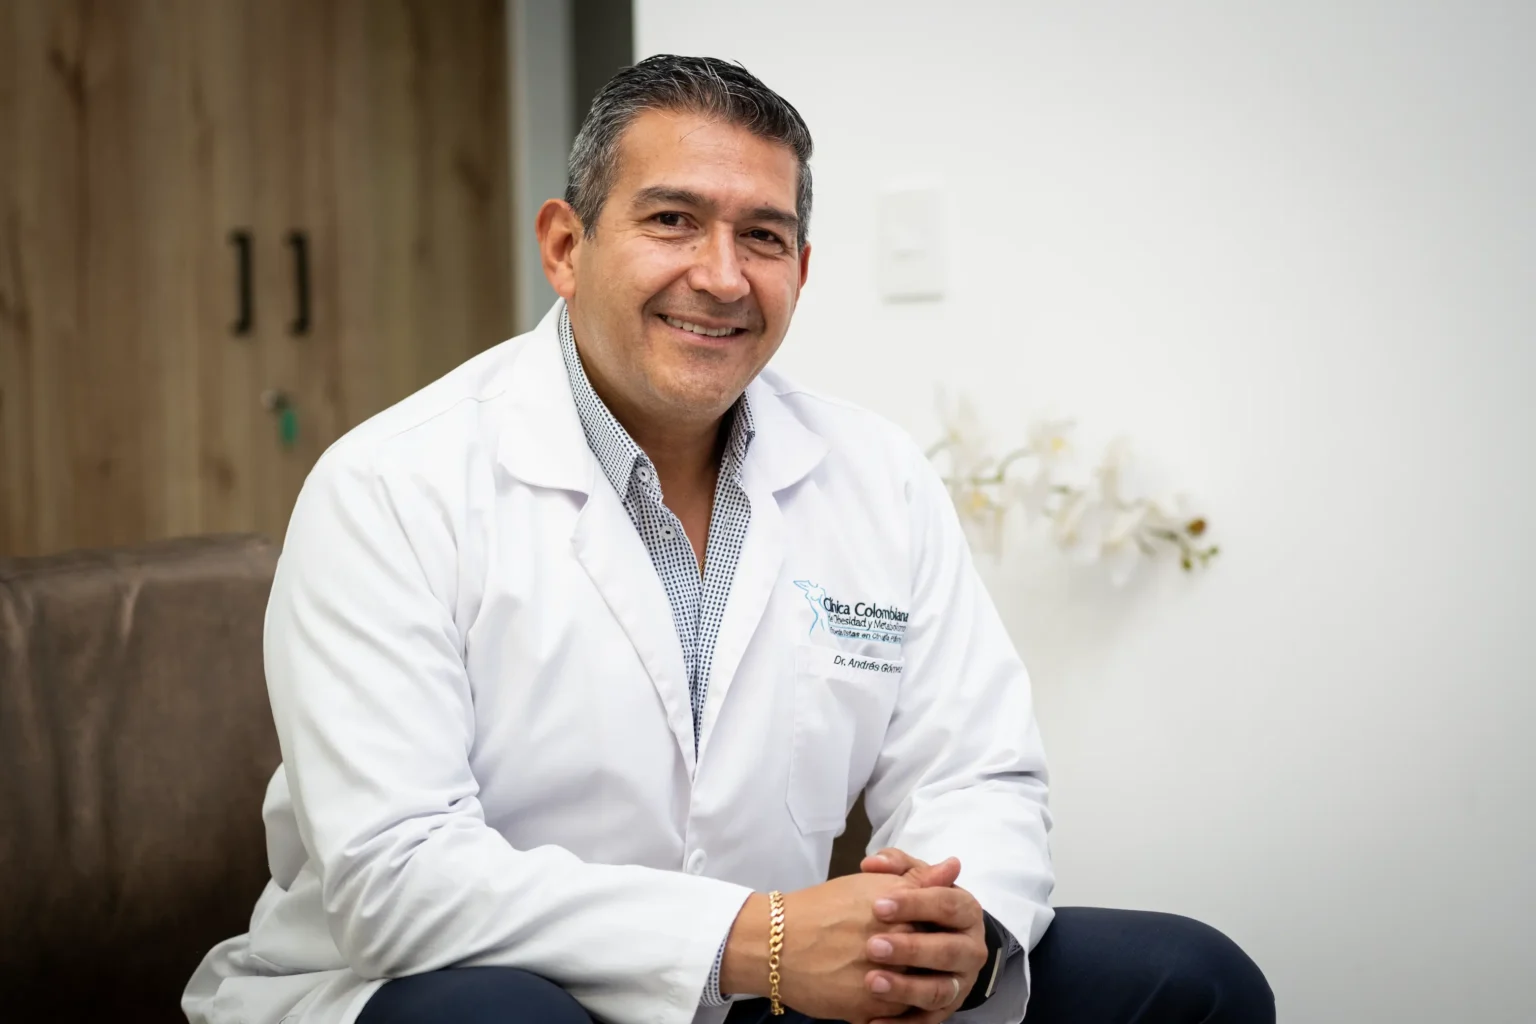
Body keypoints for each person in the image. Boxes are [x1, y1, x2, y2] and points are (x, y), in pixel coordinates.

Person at [182, 55, 1273, 1024]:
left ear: (802, 268)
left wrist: (954, 933)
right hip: (462, 984)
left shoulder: (876, 476)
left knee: (1194, 979)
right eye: (672, 220)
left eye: (764, 236)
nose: (721, 274)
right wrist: (762, 940)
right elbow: (397, 876)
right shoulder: (391, 484)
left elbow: (976, 769)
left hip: (774, 991)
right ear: (565, 246)